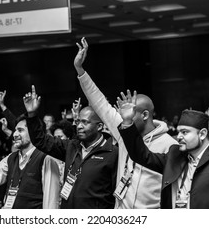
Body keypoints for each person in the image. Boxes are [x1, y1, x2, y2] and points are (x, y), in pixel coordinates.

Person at [74, 38, 177, 209]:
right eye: (124, 114)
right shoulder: (125, 131)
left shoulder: (169, 145)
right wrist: (80, 70)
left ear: (145, 115)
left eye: (130, 113)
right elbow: (100, 103)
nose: (125, 118)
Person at [116, 90, 209, 208]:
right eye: (178, 132)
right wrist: (127, 122)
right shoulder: (175, 155)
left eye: (185, 132)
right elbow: (141, 155)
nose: (179, 136)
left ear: (202, 134)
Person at [24, 85, 118, 209]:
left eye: (85, 122)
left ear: (99, 127)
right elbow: (40, 140)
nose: (79, 126)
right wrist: (32, 115)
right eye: (78, 121)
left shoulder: (112, 153)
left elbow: (116, 196)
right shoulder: (71, 147)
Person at [0, 116, 61, 209]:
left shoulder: (47, 159)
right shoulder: (11, 158)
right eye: (15, 130)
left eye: (20, 130)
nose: (15, 134)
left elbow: (51, 202)